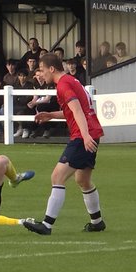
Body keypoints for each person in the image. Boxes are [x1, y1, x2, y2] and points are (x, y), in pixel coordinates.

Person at [33, 53, 106, 234]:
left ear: (51, 69)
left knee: (57, 177)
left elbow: (77, 109)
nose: (40, 74)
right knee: (83, 180)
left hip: (83, 136)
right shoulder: (70, 81)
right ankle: (97, 222)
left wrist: (85, 135)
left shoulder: (63, 84)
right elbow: (74, 110)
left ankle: (47, 225)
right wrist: (51, 115)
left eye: (42, 70)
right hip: (90, 132)